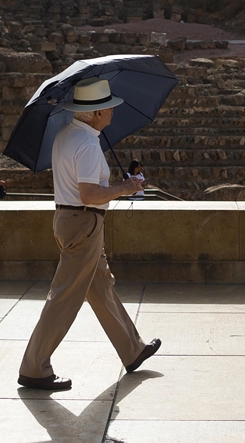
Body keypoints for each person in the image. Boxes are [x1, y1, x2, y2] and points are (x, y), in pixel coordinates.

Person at [18, 78, 159, 392]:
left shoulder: (67, 134)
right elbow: (89, 194)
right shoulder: (87, 144)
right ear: (96, 113)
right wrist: (126, 187)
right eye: (108, 107)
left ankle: (132, 349)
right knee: (64, 297)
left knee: (101, 286)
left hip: (72, 221)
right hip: (83, 222)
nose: (112, 111)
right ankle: (34, 367)